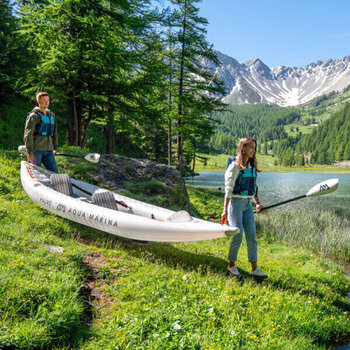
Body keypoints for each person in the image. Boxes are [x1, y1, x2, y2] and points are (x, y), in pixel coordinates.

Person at [221, 137, 267, 279]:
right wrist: (225, 211)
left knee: (251, 236)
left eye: (255, 148)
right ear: (244, 148)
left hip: (247, 204)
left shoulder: (252, 167)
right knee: (237, 235)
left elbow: (254, 188)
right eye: (251, 147)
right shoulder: (235, 166)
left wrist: (257, 203)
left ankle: (254, 269)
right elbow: (228, 190)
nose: (254, 151)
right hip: (235, 204)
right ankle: (231, 265)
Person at [24, 92, 58, 173]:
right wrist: (30, 152)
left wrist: (55, 148)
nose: (46, 102)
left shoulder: (52, 115)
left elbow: (54, 133)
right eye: (44, 100)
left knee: (55, 172)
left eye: (48, 100)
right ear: (38, 101)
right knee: (36, 173)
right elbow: (28, 134)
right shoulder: (33, 116)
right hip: (36, 151)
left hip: (49, 150)